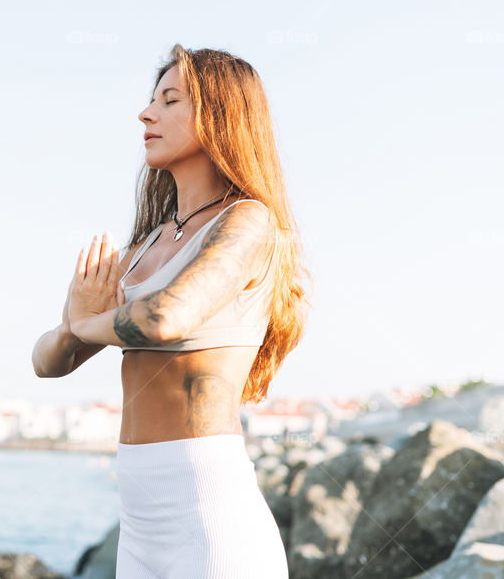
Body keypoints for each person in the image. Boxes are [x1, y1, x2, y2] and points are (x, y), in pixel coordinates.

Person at [31, 44, 312, 578]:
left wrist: (88, 324)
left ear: (220, 116)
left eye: (170, 100)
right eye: (151, 99)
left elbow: (166, 319)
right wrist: (73, 328)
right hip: (139, 522)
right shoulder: (141, 248)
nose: (146, 113)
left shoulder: (247, 222)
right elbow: (48, 361)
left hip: (210, 513)